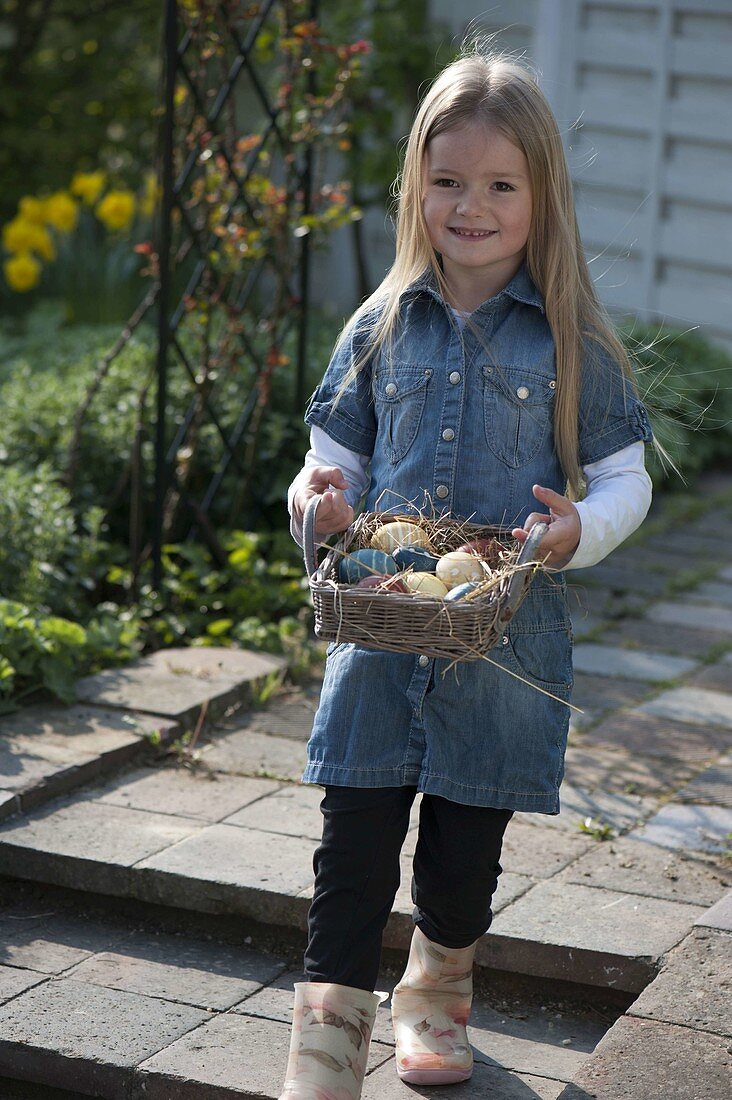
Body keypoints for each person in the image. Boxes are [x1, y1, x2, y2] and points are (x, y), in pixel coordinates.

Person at [280, 47, 654, 1100]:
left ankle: (437, 989)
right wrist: (318, 506)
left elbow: (625, 480)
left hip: (504, 647)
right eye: (448, 181)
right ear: (417, 188)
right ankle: (321, 1052)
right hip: (384, 624)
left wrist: (587, 525)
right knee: (350, 846)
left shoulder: (570, 336)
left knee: (459, 853)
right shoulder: (381, 322)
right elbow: (327, 460)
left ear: (541, 195)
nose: (471, 205)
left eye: (500, 185)